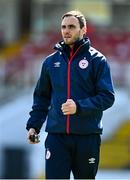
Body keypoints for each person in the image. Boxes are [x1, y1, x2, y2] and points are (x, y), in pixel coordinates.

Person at [26, 10, 115, 179]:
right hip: (56, 137)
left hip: (87, 137)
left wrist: (79, 107)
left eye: (72, 27)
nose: (66, 30)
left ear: (83, 30)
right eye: (63, 27)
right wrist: (33, 126)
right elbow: (41, 98)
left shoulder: (98, 60)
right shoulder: (50, 62)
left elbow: (107, 97)